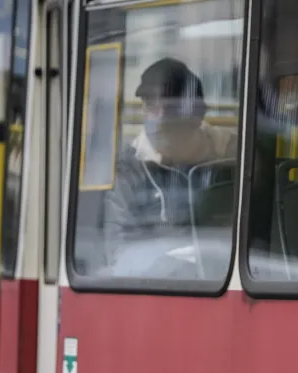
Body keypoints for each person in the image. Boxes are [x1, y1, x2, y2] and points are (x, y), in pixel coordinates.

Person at [102, 58, 237, 276]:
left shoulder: (231, 156)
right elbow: (118, 248)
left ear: (197, 115)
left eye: (172, 109)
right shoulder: (130, 168)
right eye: (151, 106)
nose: (160, 119)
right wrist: (175, 270)